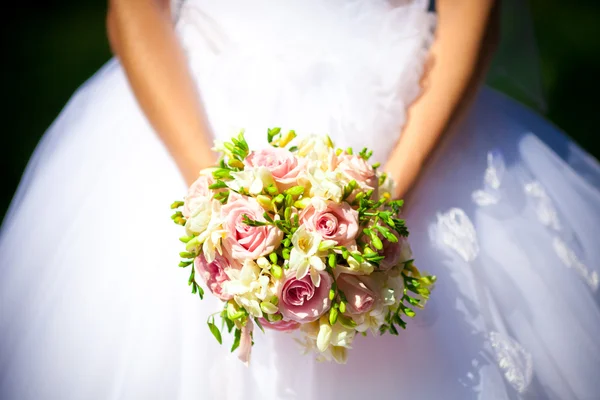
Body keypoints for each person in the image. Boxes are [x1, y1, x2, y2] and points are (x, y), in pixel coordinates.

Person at [1, 0, 599, 398]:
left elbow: (476, 10)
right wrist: (218, 199)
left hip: (410, 116)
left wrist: (387, 195)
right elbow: (134, 11)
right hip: (195, 120)